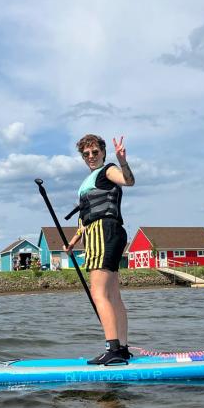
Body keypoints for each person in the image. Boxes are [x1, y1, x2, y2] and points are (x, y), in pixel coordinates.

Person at [64, 134, 135, 365]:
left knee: (99, 294)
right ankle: (122, 349)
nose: (91, 157)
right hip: (106, 232)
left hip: (103, 232)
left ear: (103, 152)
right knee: (113, 295)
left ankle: (112, 349)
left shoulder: (108, 170)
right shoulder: (88, 182)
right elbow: (85, 218)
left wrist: (122, 160)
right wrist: (73, 242)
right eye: (86, 154)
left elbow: (128, 180)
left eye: (95, 152)